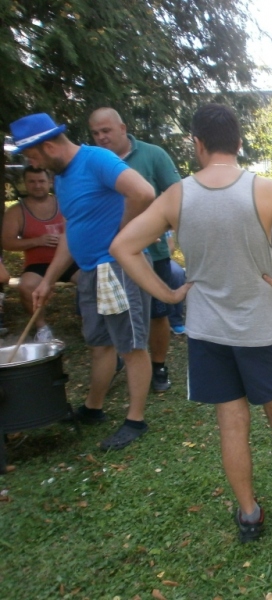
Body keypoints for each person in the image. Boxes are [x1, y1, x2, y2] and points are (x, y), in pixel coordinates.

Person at [110, 103, 272, 543]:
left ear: (197, 144)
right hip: (260, 329)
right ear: (237, 143)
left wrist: (170, 294)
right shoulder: (264, 190)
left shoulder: (177, 195)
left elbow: (123, 246)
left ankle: (250, 515)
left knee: (231, 424)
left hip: (206, 332)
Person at [10, 112, 156, 451]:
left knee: (131, 345)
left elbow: (143, 192)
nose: (34, 166)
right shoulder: (62, 178)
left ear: (49, 146)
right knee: (100, 343)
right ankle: (93, 409)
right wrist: (47, 280)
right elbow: (71, 232)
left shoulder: (96, 159)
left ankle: (136, 420)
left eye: (33, 157)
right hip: (90, 271)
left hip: (117, 270)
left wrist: (123, 237)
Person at [89, 108, 181, 392]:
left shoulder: (152, 155)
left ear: (122, 128)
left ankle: (158, 365)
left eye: (106, 131)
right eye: (95, 133)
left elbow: (177, 193)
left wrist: (164, 229)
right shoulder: (92, 161)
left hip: (151, 252)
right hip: (105, 255)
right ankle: (123, 359)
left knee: (156, 312)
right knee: (112, 311)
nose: (102, 137)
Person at [2, 166, 80, 341]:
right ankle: (41, 328)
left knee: (92, 279)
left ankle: (91, 321)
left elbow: (82, 229)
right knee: (26, 286)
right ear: (25, 183)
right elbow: (6, 242)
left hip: (69, 260)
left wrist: (67, 238)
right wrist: (37, 241)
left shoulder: (64, 203)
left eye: (41, 181)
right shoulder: (16, 211)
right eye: (32, 182)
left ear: (50, 182)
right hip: (38, 264)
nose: (37, 186)